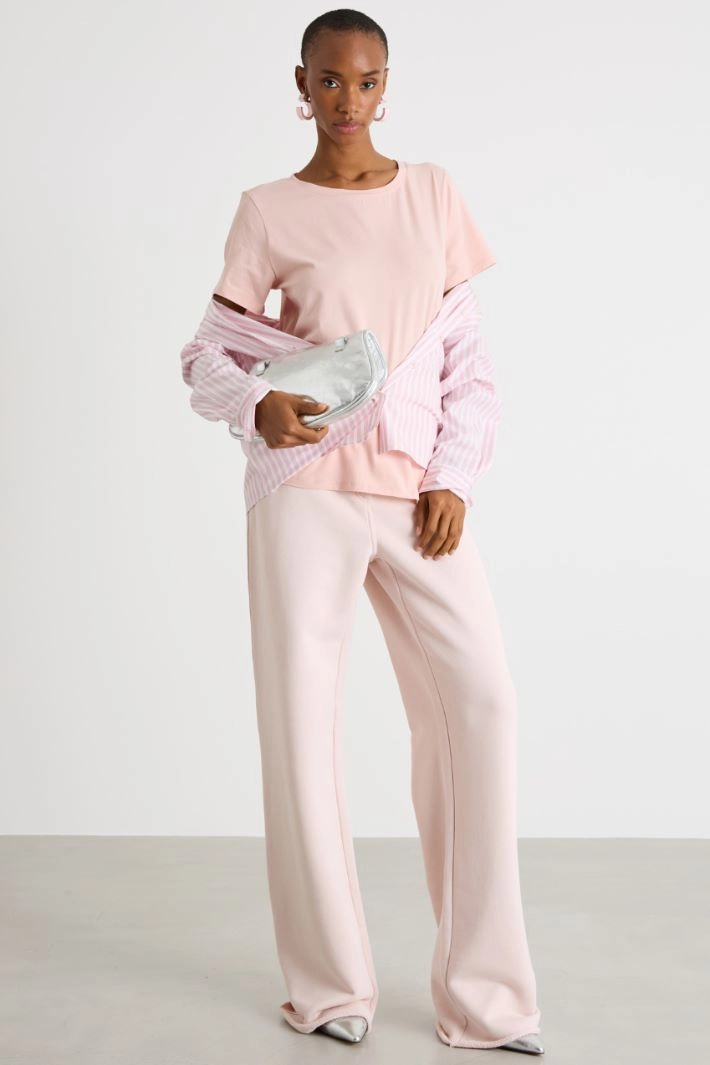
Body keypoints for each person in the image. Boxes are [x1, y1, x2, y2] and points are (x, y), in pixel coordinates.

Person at [188, 8, 545, 1055]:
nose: (350, 99)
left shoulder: (431, 193)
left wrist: (454, 476)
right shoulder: (267, 209)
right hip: (302, 489)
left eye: (368, 79)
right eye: (332, 80)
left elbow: (468, 363)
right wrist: (255, 404)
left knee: (479, 703)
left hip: (413, 495)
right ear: (300, 85)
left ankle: (487, 1000)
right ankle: (330, 989)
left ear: (389, 86)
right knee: (302, 726)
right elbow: (207, 355)